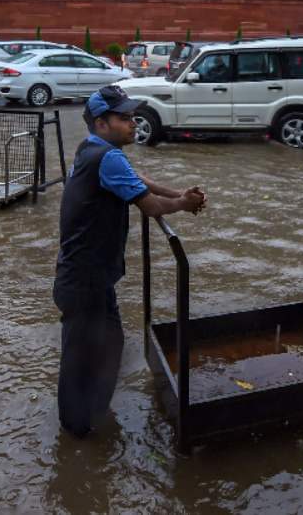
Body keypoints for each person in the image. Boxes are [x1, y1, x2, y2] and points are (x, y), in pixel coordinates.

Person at [54, 84, 206, 438]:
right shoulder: (105, 156)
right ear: (101, 123)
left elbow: (139, 180)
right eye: (124, 118)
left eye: (133, 117)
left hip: (90, 277)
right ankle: (77, 437)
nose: (133, 123)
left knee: (110, 344)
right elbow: (150, 207)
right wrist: (183, 205)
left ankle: (94, 414)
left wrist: (179, 193)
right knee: (80, 359)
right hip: (84, 280)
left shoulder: (95, 149)